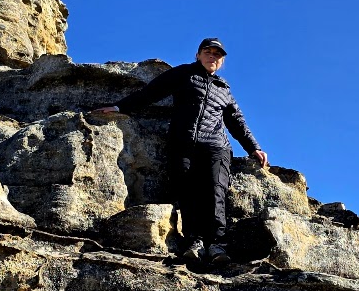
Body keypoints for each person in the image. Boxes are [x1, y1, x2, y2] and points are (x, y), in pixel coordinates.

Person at [96, 38, 267, 262]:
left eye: (217, 54)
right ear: (198, 55)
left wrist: (254, 148)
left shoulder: (223, 89)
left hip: (216, 146)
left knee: (216, 190)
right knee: (187, 190)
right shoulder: (183, 74)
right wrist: (120, 107)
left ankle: (217, 245)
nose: (212, 56)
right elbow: (151, 92)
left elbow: (237, 122)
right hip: (183, 144)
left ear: (222, 61)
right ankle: (194, 241)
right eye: (208, 51)